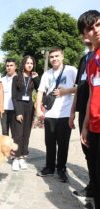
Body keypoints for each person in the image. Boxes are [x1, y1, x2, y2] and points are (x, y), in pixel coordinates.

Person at [36, 47, 77, 182]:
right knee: (50, 143)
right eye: (52, 57)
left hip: (65, 113)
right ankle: (49, 167)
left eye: (56, 56)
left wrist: (65, 92)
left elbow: (81, 87)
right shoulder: (47, 74)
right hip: (50, 114)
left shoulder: (71, 70)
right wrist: (38, 109)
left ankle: (61, 169)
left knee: (63, 143)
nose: (54, 59)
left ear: (62, 56)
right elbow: (40, 91)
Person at [79, 10, 100, 209]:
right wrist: (85, 126)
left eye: (99, 25)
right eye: (91, 28)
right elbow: (92, 95)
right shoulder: (91, 62)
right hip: (93, 126)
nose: (97, 30)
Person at [69, 38, 94, 202]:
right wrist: (72, 111)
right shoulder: (84, 58)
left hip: (95, 111)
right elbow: (78, 87)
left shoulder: (97, 57)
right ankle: (93, 187)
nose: (87, 34)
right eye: (84, 31)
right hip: (83, 111)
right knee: (87, 150)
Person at [11, 55, 40, 171]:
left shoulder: (33, 78)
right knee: (18, 134)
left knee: (26, 134)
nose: (29, 65)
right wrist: (18, 112)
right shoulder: (16, 78)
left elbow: (40, 89)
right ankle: (15, 158)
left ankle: (22, 157)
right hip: (19, 106)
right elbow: (13, 97)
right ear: (23, 64)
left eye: (31, 63)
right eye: (27, 63)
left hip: (29, 107)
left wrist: (37, 78)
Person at [0, 58, 17, 137]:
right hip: (4, 110)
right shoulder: (1, 80)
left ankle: (16, 149)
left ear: (15, 67)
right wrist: (0, 107)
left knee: (15, 133)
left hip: (15, 110)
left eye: (11, 65)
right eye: (7, 66)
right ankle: (6, 149)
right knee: (4, 132)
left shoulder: (19, 79)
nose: (9, 67)